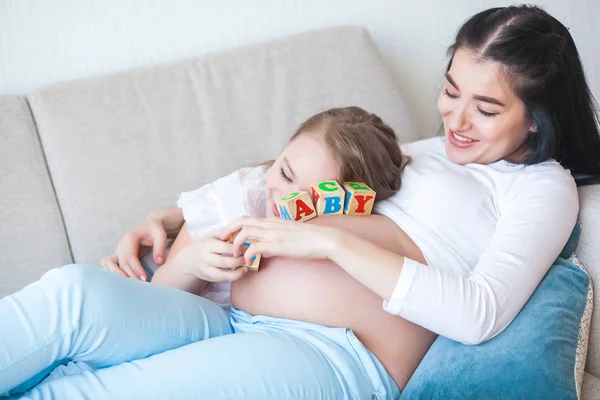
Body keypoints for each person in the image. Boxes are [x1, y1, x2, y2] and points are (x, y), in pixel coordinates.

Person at [2, 4, 600, 399]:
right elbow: (292, 179)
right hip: (231, 314)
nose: (457, 119)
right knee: (69, 297)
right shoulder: (425, 148)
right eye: (450, 91)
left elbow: (479, 313)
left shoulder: (541, 188)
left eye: (487, 108)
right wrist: (171, 216)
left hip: (335, 354)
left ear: (536, 120)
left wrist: (325, 241)